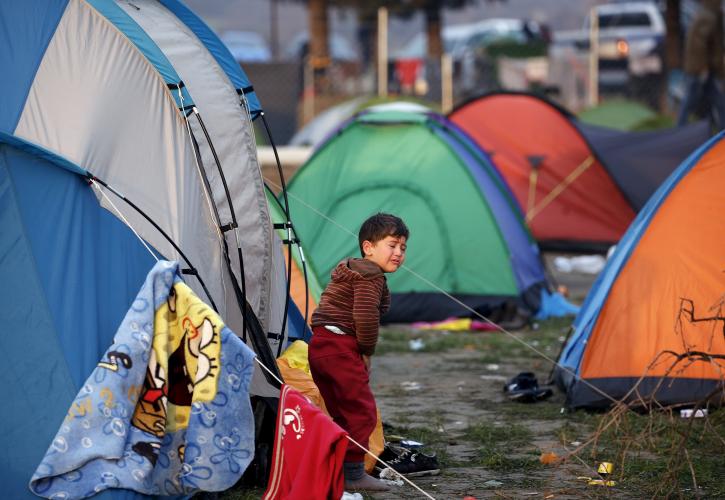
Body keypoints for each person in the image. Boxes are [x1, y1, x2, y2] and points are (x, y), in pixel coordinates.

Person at [308, 213, 409, 492]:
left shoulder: (351, 270)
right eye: (392, 245)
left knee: (341, 412)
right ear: (368, 247)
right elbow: (365, 317)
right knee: (362, 412)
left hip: (320, 346)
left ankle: (338, 469)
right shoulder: (370, 276)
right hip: (341, 348)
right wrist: (366, 351)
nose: (399, 253)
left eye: (403, 247)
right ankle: (353, 474)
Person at [677, 0, 725, 128]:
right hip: (699, 70)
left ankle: (718, 128)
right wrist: (702, 68)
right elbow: (699, 44)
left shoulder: (710, 14)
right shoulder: (708, 16)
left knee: (717, 100)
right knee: (691, 100)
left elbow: (713, 45)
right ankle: (680, 128)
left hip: (705, 69)